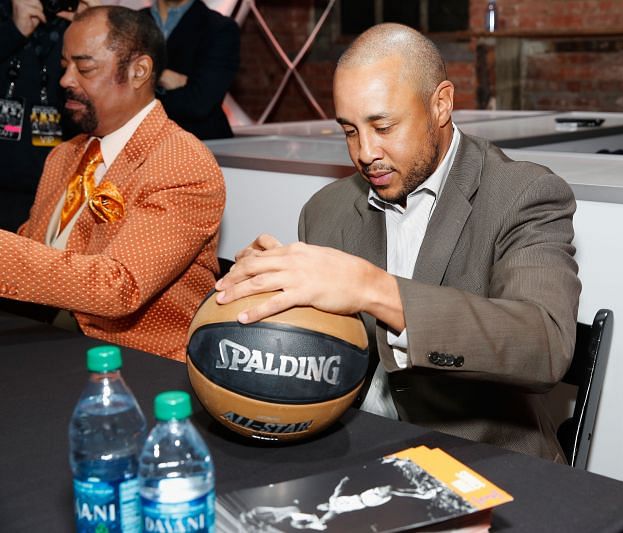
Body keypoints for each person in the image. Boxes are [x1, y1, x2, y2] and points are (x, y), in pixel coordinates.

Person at [215, 23, 580, 460]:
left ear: (441, 104)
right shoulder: (325, 210)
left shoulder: (522, 194)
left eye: (383, 126)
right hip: (350, 448)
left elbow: (544, 344)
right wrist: (269, 297)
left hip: (484, 463)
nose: (365, 152)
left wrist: (372, 289)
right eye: (349, 131)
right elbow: (323, 353)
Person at [0, 5, 225, 361]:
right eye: (64, 66)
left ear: (139, 71)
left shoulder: (181, 163)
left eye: (84, 67)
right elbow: (33, 257)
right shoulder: (64, 156)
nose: (65, 81)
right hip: (49, 347)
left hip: (140, 364)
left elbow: (120, 287)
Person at [0, 0, 96, 231]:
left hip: (53, 185)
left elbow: (100, 103)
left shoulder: (75, 22)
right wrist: (13, 31)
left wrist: (93, 30)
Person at [143, 0, 239, 140]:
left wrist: (143, 80)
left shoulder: (220, 28)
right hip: (136, 147)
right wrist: (161, 77)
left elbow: (199, 103)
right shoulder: (128, 24)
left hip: (200, 147)